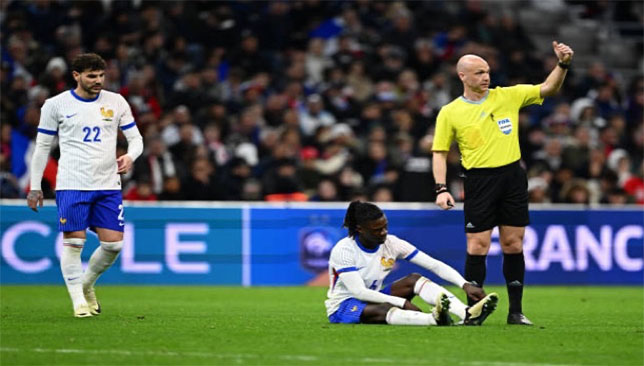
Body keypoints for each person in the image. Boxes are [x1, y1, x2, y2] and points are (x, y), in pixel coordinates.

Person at [432, 41, 574, 325]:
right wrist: (441, 188)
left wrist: (562, 65)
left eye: (487, 72)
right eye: (479, 73)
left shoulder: (508, 96)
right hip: (478, 181)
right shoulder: (450, 112)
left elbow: (549, 88)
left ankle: (516, 312)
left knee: (512, 244)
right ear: (462, 76)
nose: (486, 77)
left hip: (511, 177)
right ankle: (473, 313)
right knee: (478, 247)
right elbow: (439, 152)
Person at [27, 53, 143, 318]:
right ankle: (78, 301)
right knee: (74, 243)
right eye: (92, 76)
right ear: (76, 76)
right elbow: (42, 147)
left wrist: (130, 155)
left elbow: (136, 138)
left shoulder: (116, 102)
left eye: (101, 75)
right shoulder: (55, 105)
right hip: (72, 184)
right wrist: (35, 187)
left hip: (108, 185)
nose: (98, 81)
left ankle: (86, 284)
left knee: (113, 245)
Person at [325, 200, 499, 326]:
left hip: (375, 296)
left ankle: (466, 314)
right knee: (384, 308)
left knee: (413, 279)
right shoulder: (344, 250)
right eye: (377, 230)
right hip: (344, 305)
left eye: (385, 226)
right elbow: (359, 292)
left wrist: (465, 284)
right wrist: (401, 302)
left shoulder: (392, 243)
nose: (384, 232)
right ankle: (433, 319)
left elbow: (433, 264)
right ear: (360, 229)